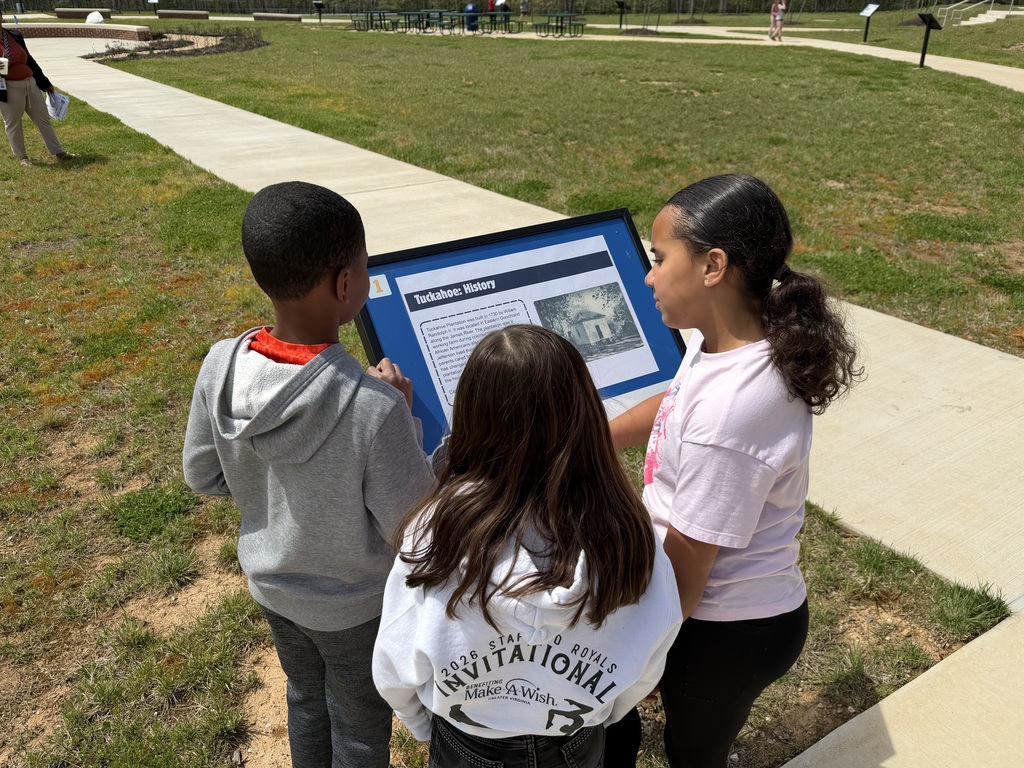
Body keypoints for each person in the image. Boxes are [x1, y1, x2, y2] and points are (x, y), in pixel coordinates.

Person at [606, 174, 861, 768]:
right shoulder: (723, 336)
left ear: (712, 266)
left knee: (693, 752)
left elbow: (690, 566)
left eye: (660, 258)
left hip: (726, 627)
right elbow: (676, 400)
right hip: (706, 606)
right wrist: (597, 433)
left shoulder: (734, 414)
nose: (648, 276)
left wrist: (633, 639)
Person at [183, 181, 436, 768]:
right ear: (346, 284)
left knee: (303, 694)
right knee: (361, 730)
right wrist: (408, 420)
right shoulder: (372, 407)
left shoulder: (219, 365)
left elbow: (203, 474)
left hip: (273, 589)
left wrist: (264, 490)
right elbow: (415, 526)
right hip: (356, 607)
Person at [373, 325, 683, 768]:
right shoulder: (630, 533)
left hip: (468, 741)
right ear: (585, 413)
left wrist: (421, 725)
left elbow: (395, 660)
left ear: (473, 417)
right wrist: (605, 712)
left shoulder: (435, 531)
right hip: (577, 737)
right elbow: (654, 645)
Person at [1, 13, 73, 166]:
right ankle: (23, 157)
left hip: (30, 82)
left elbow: (30, 60)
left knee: (43, 119)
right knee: (13, 123)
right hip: (8, 86)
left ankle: (58, 151)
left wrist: (45, 83)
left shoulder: (14, 35)